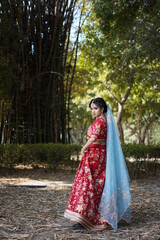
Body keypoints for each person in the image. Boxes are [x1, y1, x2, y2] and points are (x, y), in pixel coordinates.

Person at [64, 98, 131, 231]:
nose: (93, 111)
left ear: (102, 109)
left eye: (96, 108)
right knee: (95, 185)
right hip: (97, 155)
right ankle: (90, 216)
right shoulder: (104, 121)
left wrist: (84, 147)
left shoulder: (100, 122)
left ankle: (88, 218)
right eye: (92, 109)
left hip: (95, 156)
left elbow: (94, 138)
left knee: (89, 185)